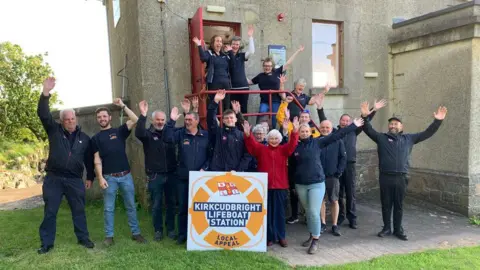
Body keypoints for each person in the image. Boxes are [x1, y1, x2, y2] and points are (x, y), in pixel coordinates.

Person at [360, 101, 447, 241]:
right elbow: (367, 128)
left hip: (401, 177)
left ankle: (398, 229)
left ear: (401, 126)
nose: (393, 125)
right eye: (391, 124)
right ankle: (387, 228)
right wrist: (365, 116)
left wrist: (438, 121)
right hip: (385, 177)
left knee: (399, 205)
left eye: (396, 124)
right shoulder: (381, 138)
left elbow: (427, 133)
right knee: (386, 204)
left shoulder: (409, 139)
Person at [37, 77, 95, 254]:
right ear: (62, 121)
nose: (70, 121)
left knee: (78, 210)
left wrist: (90, 177)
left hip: (74, 180)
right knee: (50, 212)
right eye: (67, 119)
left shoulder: (84, 139)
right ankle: (47, 243)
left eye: (72, 118)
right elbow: (43, 114)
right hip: (54, 178)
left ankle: (83, 238)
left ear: (76, 119)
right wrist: (45, 93)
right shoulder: (54, 131)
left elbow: (88, 160)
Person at [289, 118, 364, 254]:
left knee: (313, 211)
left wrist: (353, 126)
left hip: (316, 183)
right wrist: (293, 184)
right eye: (302, 131)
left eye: (306, 131)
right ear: (298, 133)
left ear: (310, 132)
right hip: (301, 184)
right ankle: (312, 235)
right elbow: (292, 167)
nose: (304, 133)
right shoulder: (295, 146)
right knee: (309, 212)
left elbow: (337, 135)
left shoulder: (317, 142)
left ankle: (315, 240)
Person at [317, 92, 387, 229]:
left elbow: (364, 120)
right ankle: (341, 216)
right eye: (343, 120)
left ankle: (352, 217)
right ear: (339, 122)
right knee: (339, 193)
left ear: (350, 123)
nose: (344, 122)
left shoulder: (353, 131)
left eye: (347, 121)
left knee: (350, 192)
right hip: (336, 168)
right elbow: (324, 122)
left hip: (349, 165)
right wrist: (320, 109)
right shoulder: (334, 133)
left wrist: (374, 109)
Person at [92, 99, 146, 246]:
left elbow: (135, 119)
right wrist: (100, 177)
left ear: (110, 117)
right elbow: (97, 160)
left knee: (131, 206)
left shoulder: (119, 132)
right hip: (109, 178)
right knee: (109, 209)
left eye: (104, 116)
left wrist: (123, 106)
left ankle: (136, 233)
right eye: (99, 117)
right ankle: (109, 236)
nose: (102, 119)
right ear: (97, 120)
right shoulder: (95, 138)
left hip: (126, 176)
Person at [243, 118, 300, 248]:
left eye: (276, 138)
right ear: (267, 139)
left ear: (279, 140)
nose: (274, 140)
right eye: (271, 138)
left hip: (280, 186)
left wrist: (295, 131)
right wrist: (247, 134)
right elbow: (251, 144)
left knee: (280, 212)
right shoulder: (261, 149)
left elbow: (292, 145)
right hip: (265, 186)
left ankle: (281, 236)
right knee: (267, 213)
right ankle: (269, 237)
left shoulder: (284, 150)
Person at [163, 107, 210, 244]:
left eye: (190, 119)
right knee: (183, 207)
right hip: (183, 178)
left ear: (196, 121)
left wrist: (205, 168)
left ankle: (200, 234)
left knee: (201, 208)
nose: (187, 122)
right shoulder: (180, 134)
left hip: (201, 178)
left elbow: (211, 155)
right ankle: (182, 235)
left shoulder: (206, 135)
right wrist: (171, 121)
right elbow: (167, 137)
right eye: (186, 120)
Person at [135, 100, 177, 241]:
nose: (160, 122)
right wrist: (143, 115)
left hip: (171, 174)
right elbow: (138, 132)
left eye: (162, 120)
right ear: (152, 120)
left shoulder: (170, 132)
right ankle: (158, 230)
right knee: (157, 205)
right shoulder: (147, 135)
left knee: (171, 203)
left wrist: (172, 121)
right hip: (155, 176)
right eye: (158, 120)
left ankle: (170, 229)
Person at [249, 45, 304, 129]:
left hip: (275, 101)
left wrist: (298, 51)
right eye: (265, 66)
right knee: (261, 115)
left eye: (269, 66)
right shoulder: (260, 76)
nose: (267, 68)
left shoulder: (277, 72)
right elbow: (249, 82)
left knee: (274, 119)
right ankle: (258, 133)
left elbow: (288, 63)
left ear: (272, 66)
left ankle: (273, 134)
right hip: (264, 102)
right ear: (263, 66)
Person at [207, 90, 251, 172]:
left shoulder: (242, 135)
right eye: (226, 118)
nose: (229, 120)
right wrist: (215, 101)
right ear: (222, 120)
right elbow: (210, 119)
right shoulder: (218, 132)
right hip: (218, 172)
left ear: (236, 119)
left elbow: (248, 155)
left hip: (236, 174)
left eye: (231, 117)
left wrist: (238, 171)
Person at [319, 120, 346, 236]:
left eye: (327, 127)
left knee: (334, 200)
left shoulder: (337, 141)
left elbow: (343, 158)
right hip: (319, 177)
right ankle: (323, 223)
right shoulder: (316, 141)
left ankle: (334, 225)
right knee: (321, 201)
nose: (325, 129)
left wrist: (338, 172)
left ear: (331, 128)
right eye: (323, 127)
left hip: (332, 176)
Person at [192, 35, 232, 110]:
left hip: (226, 83)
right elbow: (203, 58)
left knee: (226, 105)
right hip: (214, 83)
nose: (219, 43)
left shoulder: (225, 55)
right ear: (213, 43)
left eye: (220, 41)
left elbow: (232, 64)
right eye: (217, 41)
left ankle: (225, 121)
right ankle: (215, 121)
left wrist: (230, 51)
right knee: (214, 105)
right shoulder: (209, 53)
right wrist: (199, 45)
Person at [229, 25, 255, 114]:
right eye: (233, 44)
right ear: (230, 45)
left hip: (243, 88)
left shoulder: (241, 55)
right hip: (231, 88)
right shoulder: (226, 56)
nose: (235, 46)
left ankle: (243, 128)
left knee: (243, 111)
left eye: (237, 44)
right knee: (232, 111)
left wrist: (250, 37)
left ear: (239, 46)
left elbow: (251, 51)